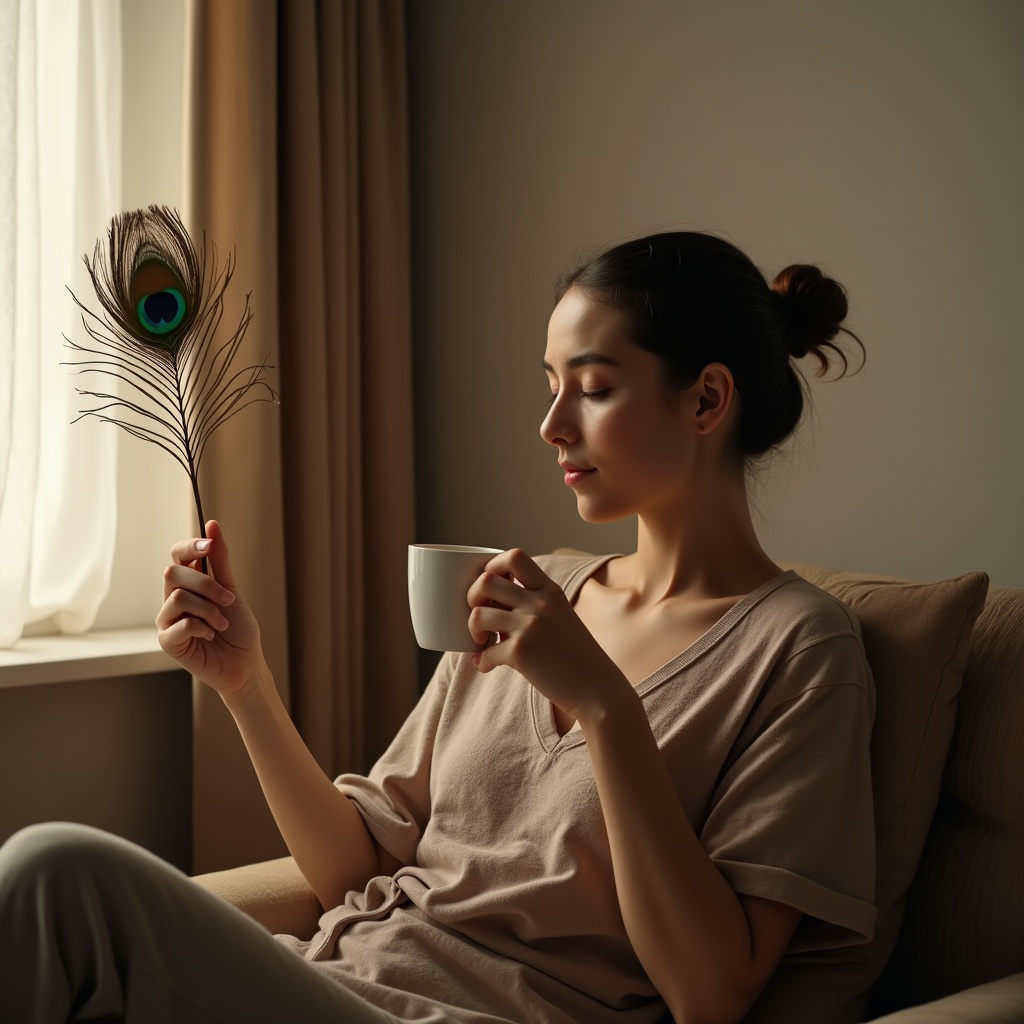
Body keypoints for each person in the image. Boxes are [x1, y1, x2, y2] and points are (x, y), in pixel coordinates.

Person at [0, 230, 876, 1024]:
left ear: (706, 400)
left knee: (53, 870)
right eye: (549, 386)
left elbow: (711, 992)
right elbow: (357, 874)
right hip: (337, 978)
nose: (551, 425)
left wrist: (606, 707)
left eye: (595, 388)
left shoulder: (800, 648)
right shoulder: (530, 592)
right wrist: (247, 687)